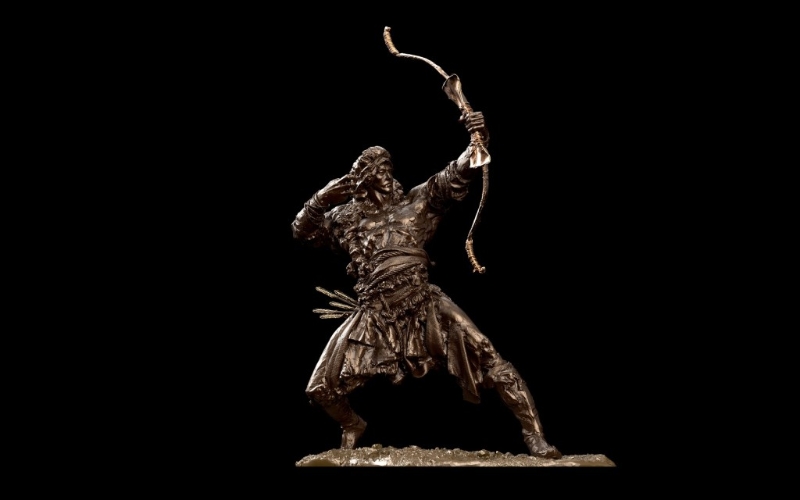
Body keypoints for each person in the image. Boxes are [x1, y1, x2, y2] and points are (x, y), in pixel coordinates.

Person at [291, 112, 561, 458]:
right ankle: (352, 424)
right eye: (377, 170)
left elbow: (457, 172)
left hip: (423, 302)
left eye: (388, 167)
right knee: (319, 388)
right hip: (375, 311)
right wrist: (321, 198)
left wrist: (477, 138)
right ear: (362, 181)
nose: (387, 175)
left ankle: (534, 435)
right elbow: (301, 231)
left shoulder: (417, 203)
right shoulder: (346, 220)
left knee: (487, 354)